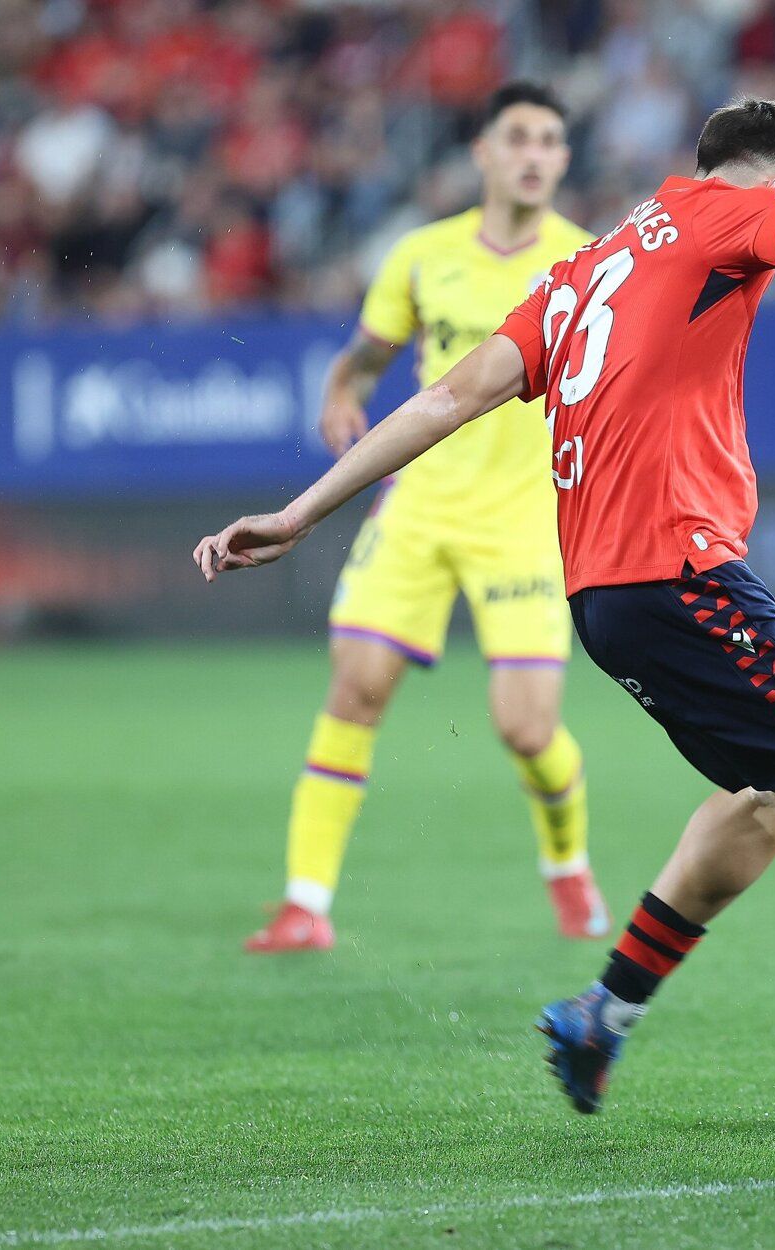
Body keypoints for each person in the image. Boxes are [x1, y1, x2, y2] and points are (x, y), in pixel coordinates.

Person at [196, 97, 775, 1128]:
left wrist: (300, 511)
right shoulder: (716, 219)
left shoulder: (578, 273)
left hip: (607, 596)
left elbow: (443, 398)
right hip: (682, 576)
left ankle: (604, 1012)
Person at [243, 82, 608, 954]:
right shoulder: (420, 254)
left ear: (562, 160)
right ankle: (304, 904)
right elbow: (367, 357)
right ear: (482, 152)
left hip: (523, 520)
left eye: (550, 141)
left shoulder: (590, 262)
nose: (532, 154)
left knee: (526, 727)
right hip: (417, 509)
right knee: (354, 692)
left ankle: (567, 867)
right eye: (516, 136)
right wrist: (341, 390)